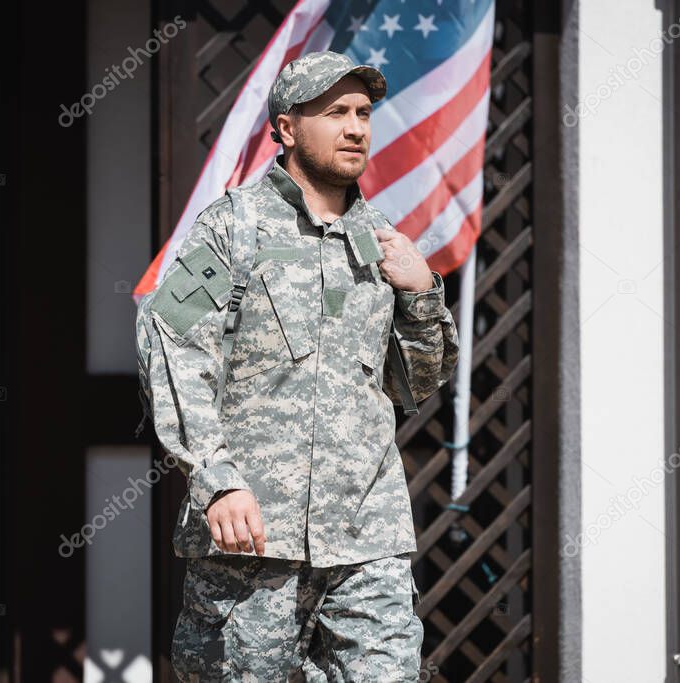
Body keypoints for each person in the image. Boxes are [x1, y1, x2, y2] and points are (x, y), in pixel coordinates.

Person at [135, 50, 460, 682]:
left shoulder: (380, 239)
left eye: (364, 113)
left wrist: (421, 293)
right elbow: (172, 349)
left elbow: (415, 384)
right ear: (286, 128)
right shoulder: (232, 228)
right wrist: (215, 475)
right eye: (335, 112)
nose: (356, 128)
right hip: (254, 539)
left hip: (366, 533)